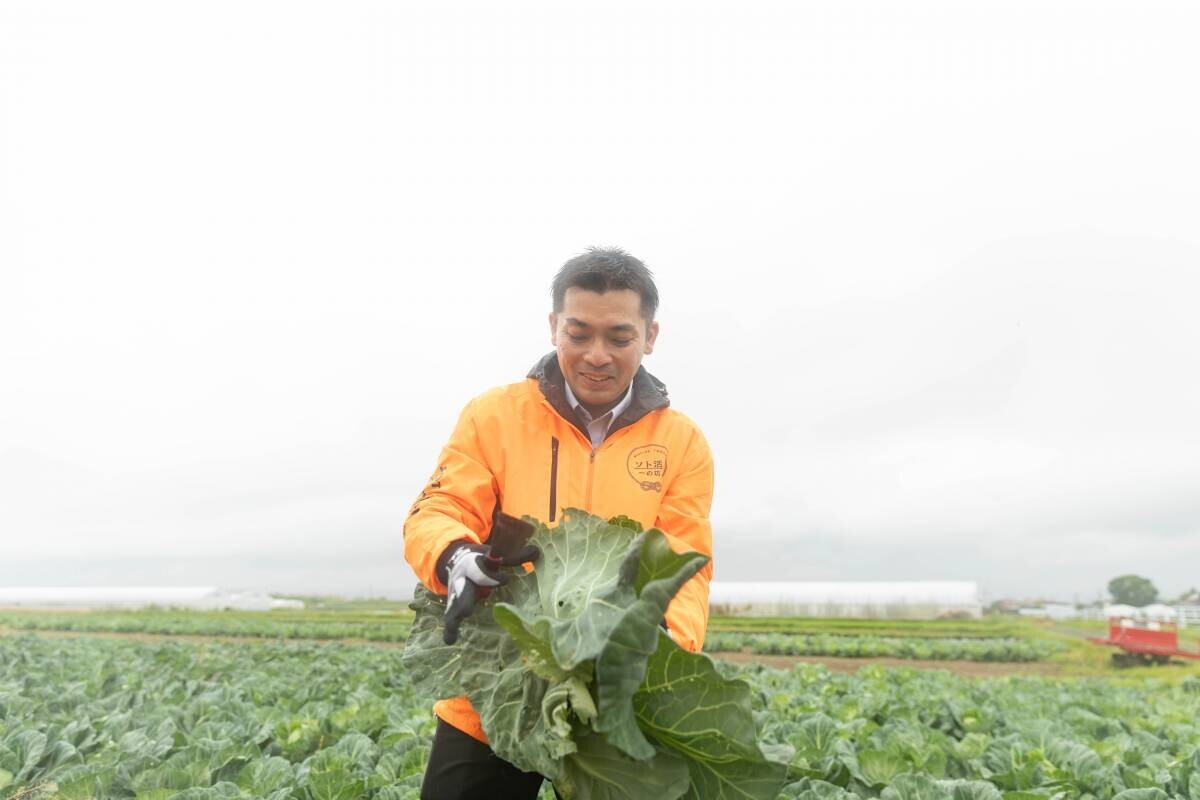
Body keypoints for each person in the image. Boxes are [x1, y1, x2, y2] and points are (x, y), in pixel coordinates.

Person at [404, 247, 714, 800]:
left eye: (619, 337)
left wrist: (658, 640)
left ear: (650, 336)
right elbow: (441, 506)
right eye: (579, 334)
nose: (597, 355)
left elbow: (686, 564)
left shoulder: (681, 443)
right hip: (497, 680)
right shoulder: (493, 416)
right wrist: (453, 556)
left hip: (615, 693)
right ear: (553, 328)